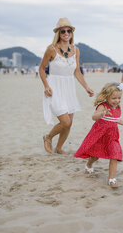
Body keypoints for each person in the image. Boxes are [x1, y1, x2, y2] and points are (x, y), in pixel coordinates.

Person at [39, 17, 94, 155]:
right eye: (62, 31)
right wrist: (46, 86)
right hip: (54, 88)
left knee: (70, 122)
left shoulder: (76, 50)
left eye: (68, 30)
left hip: (69, 88)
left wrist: (86, 87)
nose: (66, 33)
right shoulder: (51, 49)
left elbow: (77, 71)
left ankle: (59, 148)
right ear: (58, 33)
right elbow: (41, 68)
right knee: (65, 122)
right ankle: (48, 137)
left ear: (71, 32)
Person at [74, 78, 123, 188]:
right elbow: (94, 117)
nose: (117, 100)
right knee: (95, 156)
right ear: (106, 96)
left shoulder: (117, 107)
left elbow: (116, 120)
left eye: (119, 98)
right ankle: (89, 164)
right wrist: (102, 113)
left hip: (112, 136)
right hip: (100, 136)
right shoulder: (103, 106)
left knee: (115, 154)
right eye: (114, 98)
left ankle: (111, 179)